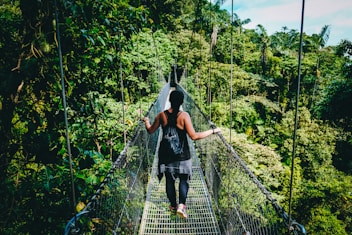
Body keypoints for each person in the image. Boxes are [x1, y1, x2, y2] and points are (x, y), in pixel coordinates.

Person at [143, 90, 221, 219]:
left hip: (166, 155)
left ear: (169, 101)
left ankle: (173, 206)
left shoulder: (161, 115)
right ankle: (181, 206)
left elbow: (151, 131)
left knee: (169, 180)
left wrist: (146, 121)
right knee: (184, 180)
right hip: (182, 155)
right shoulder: (184, 116)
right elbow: (194, 136)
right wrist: (213, 131)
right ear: (182, 102)